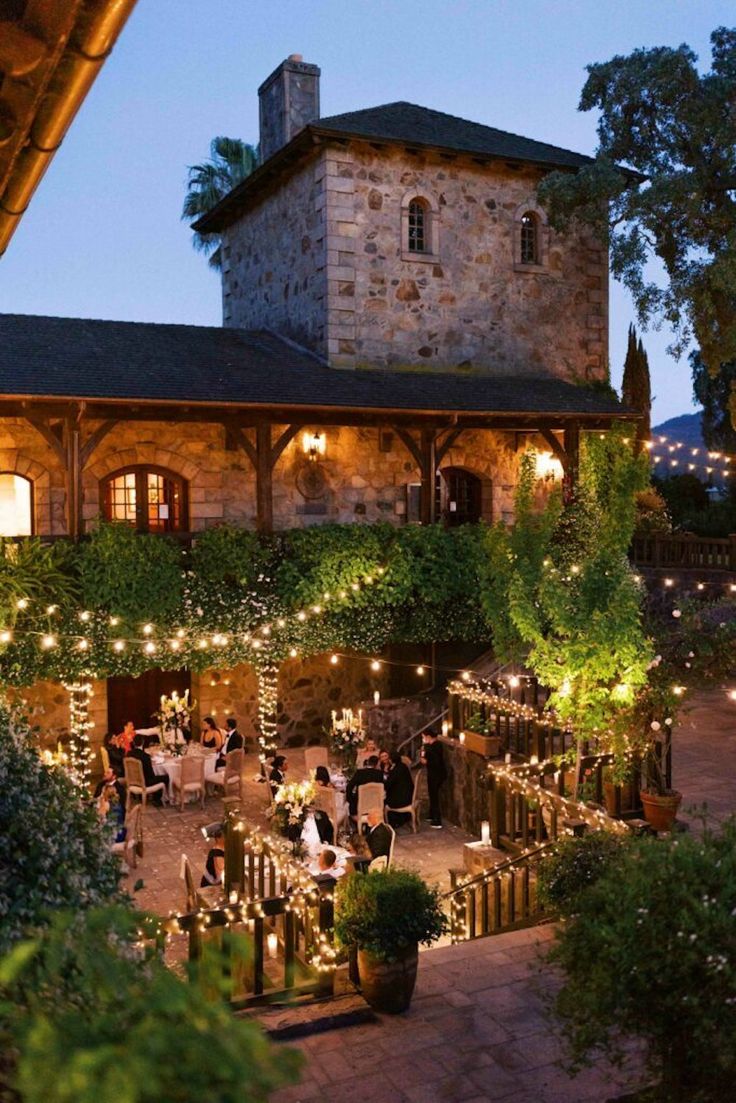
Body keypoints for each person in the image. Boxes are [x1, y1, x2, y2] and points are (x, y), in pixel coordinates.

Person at [125, 734, 169, 804]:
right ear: (143, 742)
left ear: (133, 743)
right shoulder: (145, 756)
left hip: (132, 780)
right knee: (166, 777)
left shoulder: (128, 754)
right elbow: (151, 774)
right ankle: (158, 799)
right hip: (145, 782)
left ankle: (142, 796)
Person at [421, 727, 447, 829]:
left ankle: (437, 820)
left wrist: (426, 761)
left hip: (436, 774)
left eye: (424, 737)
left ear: (428, 737)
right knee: (432, 795)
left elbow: (435, 762)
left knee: (435, 796)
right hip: (433, 774)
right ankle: (432, 814)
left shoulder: (434, 747)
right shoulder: (431, 746)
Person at [345, 755, 383, 820]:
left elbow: (349, 786)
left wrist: (350, 799)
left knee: (350, 806)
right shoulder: (379, 774)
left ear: (368, 762)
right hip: (374, 805)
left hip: (359, 806)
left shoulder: (360, 773)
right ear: (377, 764)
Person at [384, 750, 414, 829]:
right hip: (408, 795)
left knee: (385, 800)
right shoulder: (403, 766)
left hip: (401, 800)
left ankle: (392, 822)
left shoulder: (396, 770)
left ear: (391, 760)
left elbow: (388, 785)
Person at [200, 823, 225, 888]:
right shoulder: (217, 854)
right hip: (211, 886)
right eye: (224, 836)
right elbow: (220, 876)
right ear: (218, 838)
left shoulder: (223, 847)